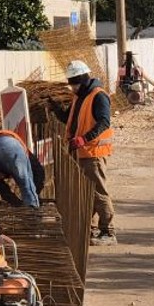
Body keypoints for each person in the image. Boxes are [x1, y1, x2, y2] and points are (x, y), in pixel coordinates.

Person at [64, 60, 116, 245]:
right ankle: (91, 229)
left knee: (98, 193)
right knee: (86, 193)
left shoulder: (98, 96)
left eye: (74, 82)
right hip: (81, 152)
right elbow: (71, 119)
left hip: (93, 152)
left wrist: (84, 139)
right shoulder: (80, 96)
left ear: (84, 79)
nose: (72, 87)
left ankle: (108, 232)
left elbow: (104, 122)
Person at [0, 129, 45, 231]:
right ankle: (33, 221)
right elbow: (32, 180)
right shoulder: (25, 155)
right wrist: (22, 202)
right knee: (26, 185)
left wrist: (16, 202)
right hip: (10, 146)